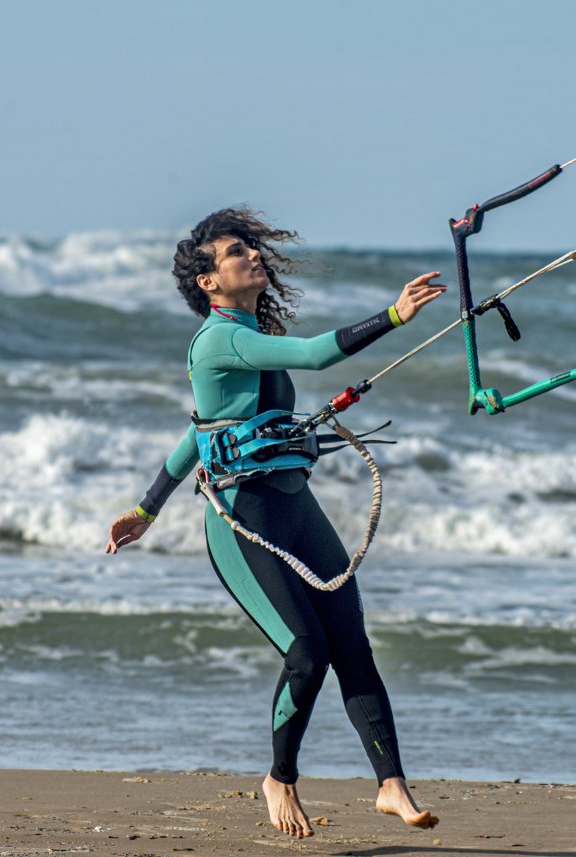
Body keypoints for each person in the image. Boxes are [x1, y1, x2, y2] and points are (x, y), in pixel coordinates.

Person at [105, 207, 445, 838]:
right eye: (237, 253)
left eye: (251, 249)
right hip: (243, 521)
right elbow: (317, 356)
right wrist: (393, 315)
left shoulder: (246, 336)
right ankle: (279, 777)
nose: (253, 256)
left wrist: (147, 507)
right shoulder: (221, 338)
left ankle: (391, 784)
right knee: (308, 652)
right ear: (209, 281)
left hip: (294, 507)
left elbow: (196, 431)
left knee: (352, 643)